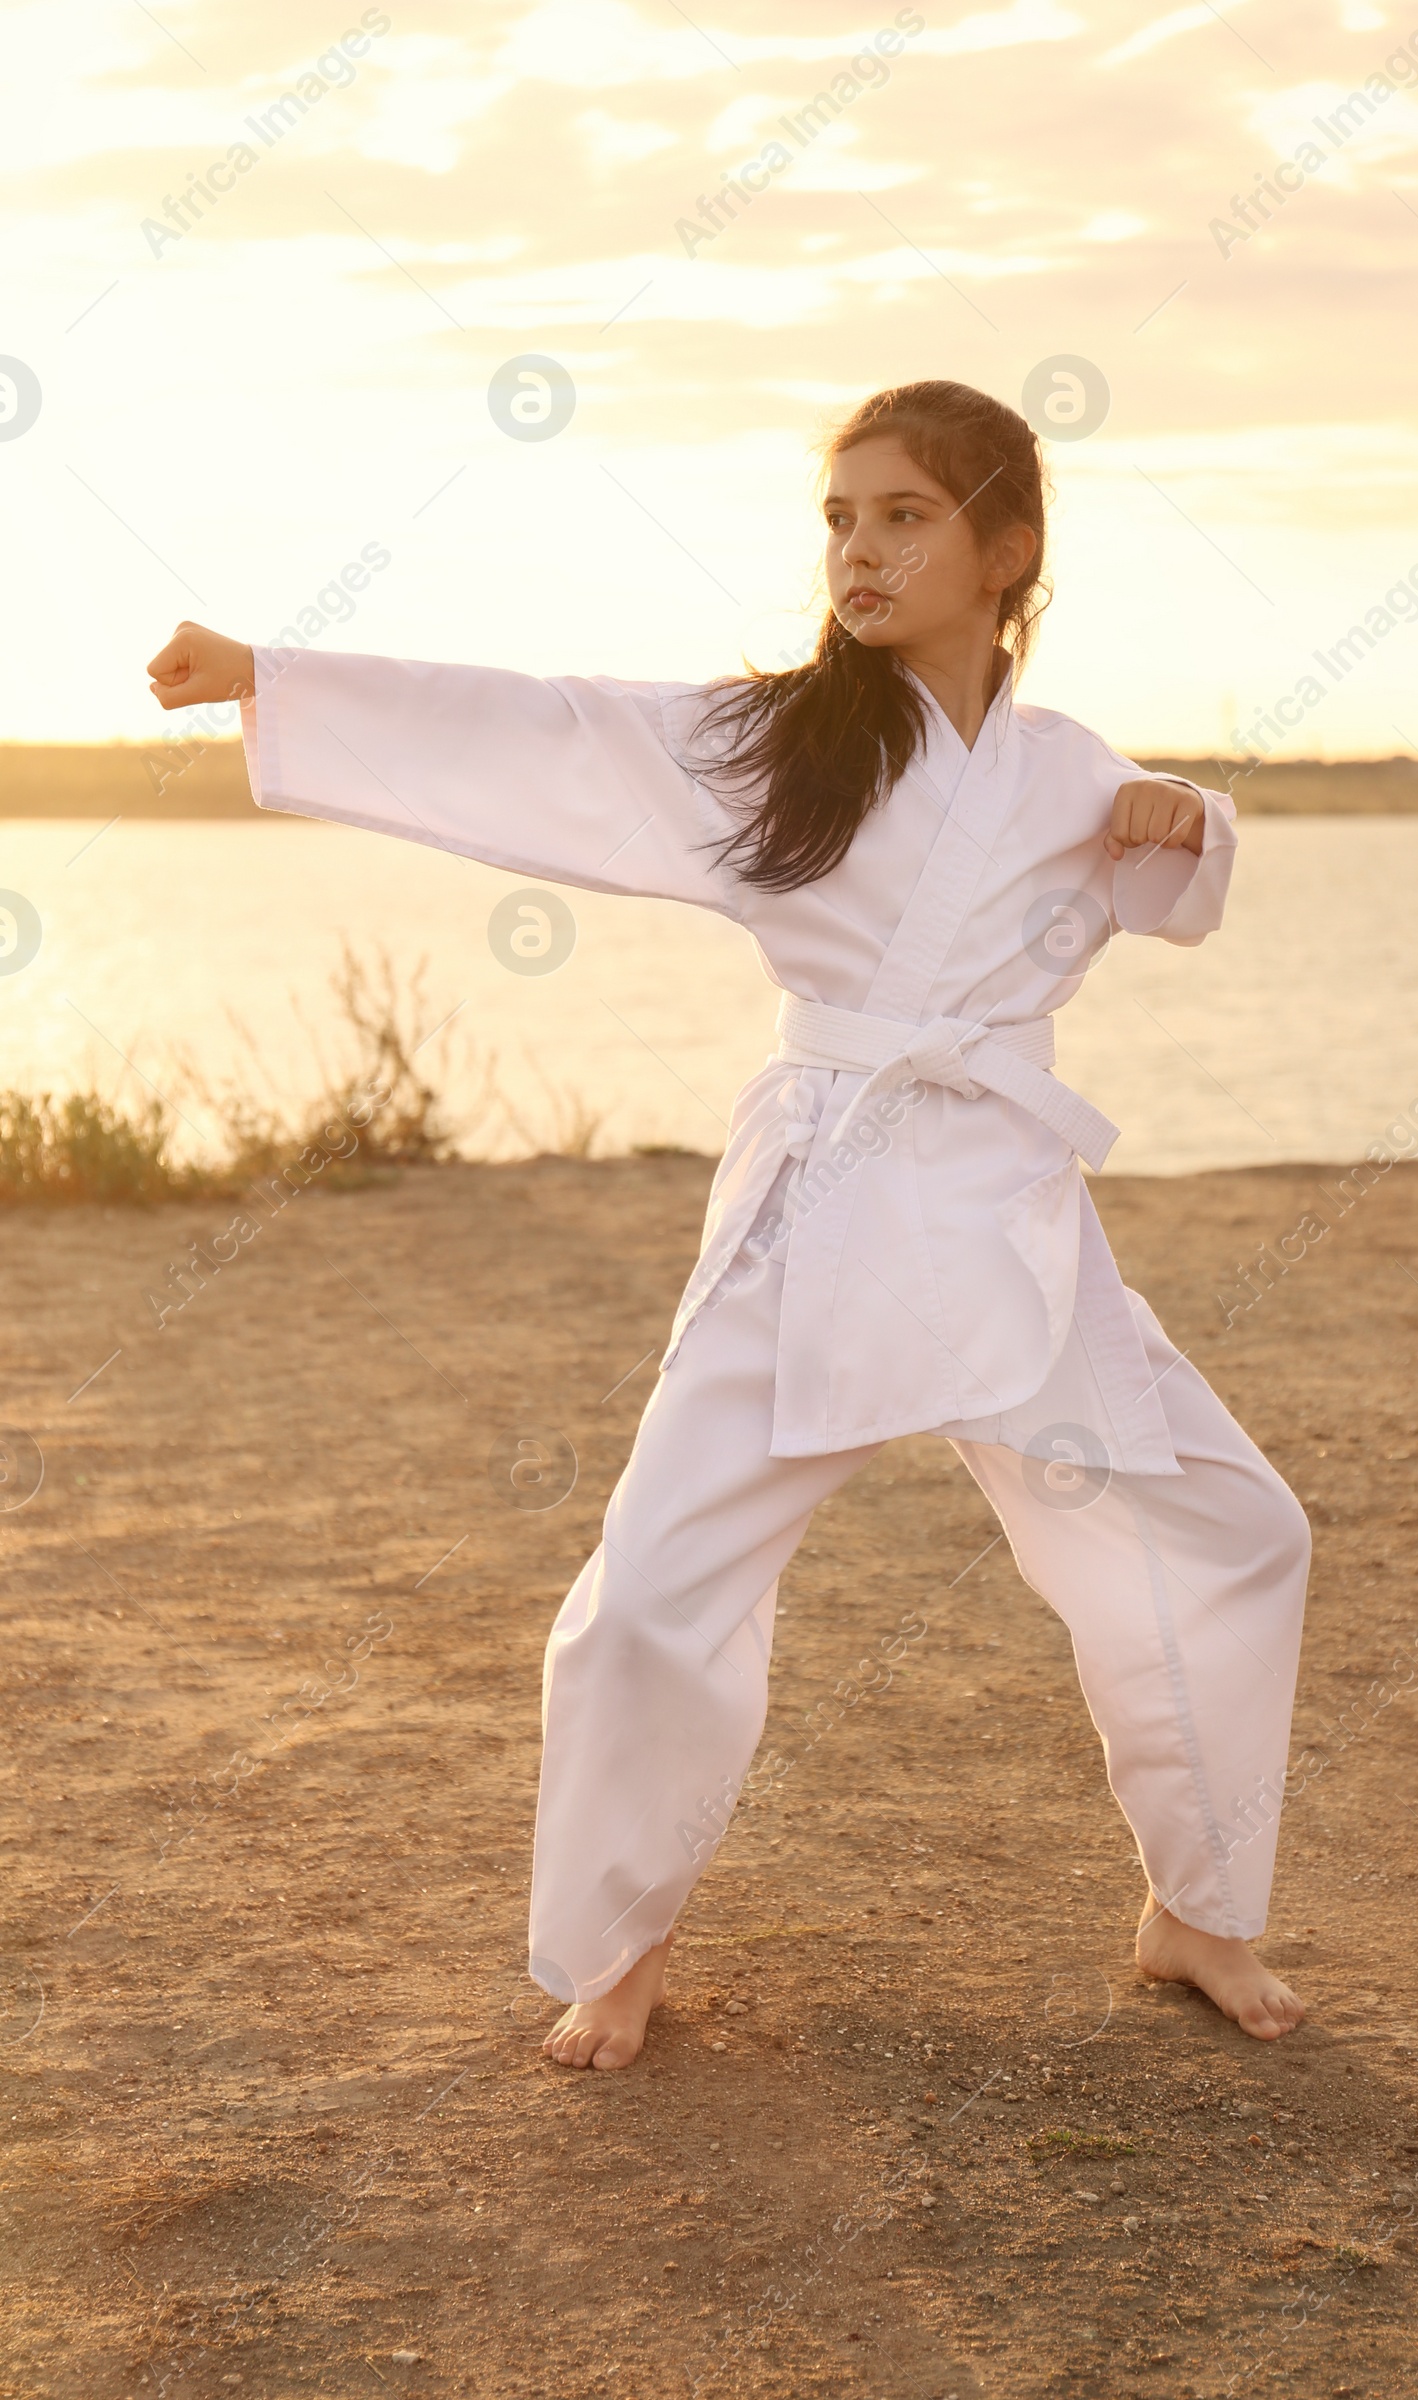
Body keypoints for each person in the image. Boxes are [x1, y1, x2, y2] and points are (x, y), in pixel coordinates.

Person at [148, 378, 1311, 2070]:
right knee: (650, 1597)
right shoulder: (779, 743)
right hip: (821, 1207)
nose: (858, 549)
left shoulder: (1065, 768)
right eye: (839, 517)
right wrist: (282, 680)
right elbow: (552, 731)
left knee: (1234, 1528)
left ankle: (1195, 1909)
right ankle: (620, 1940)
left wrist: (1182, 810)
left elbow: (1177, 872)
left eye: (904, 516)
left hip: (1007, 1226)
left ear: (1008, 553)